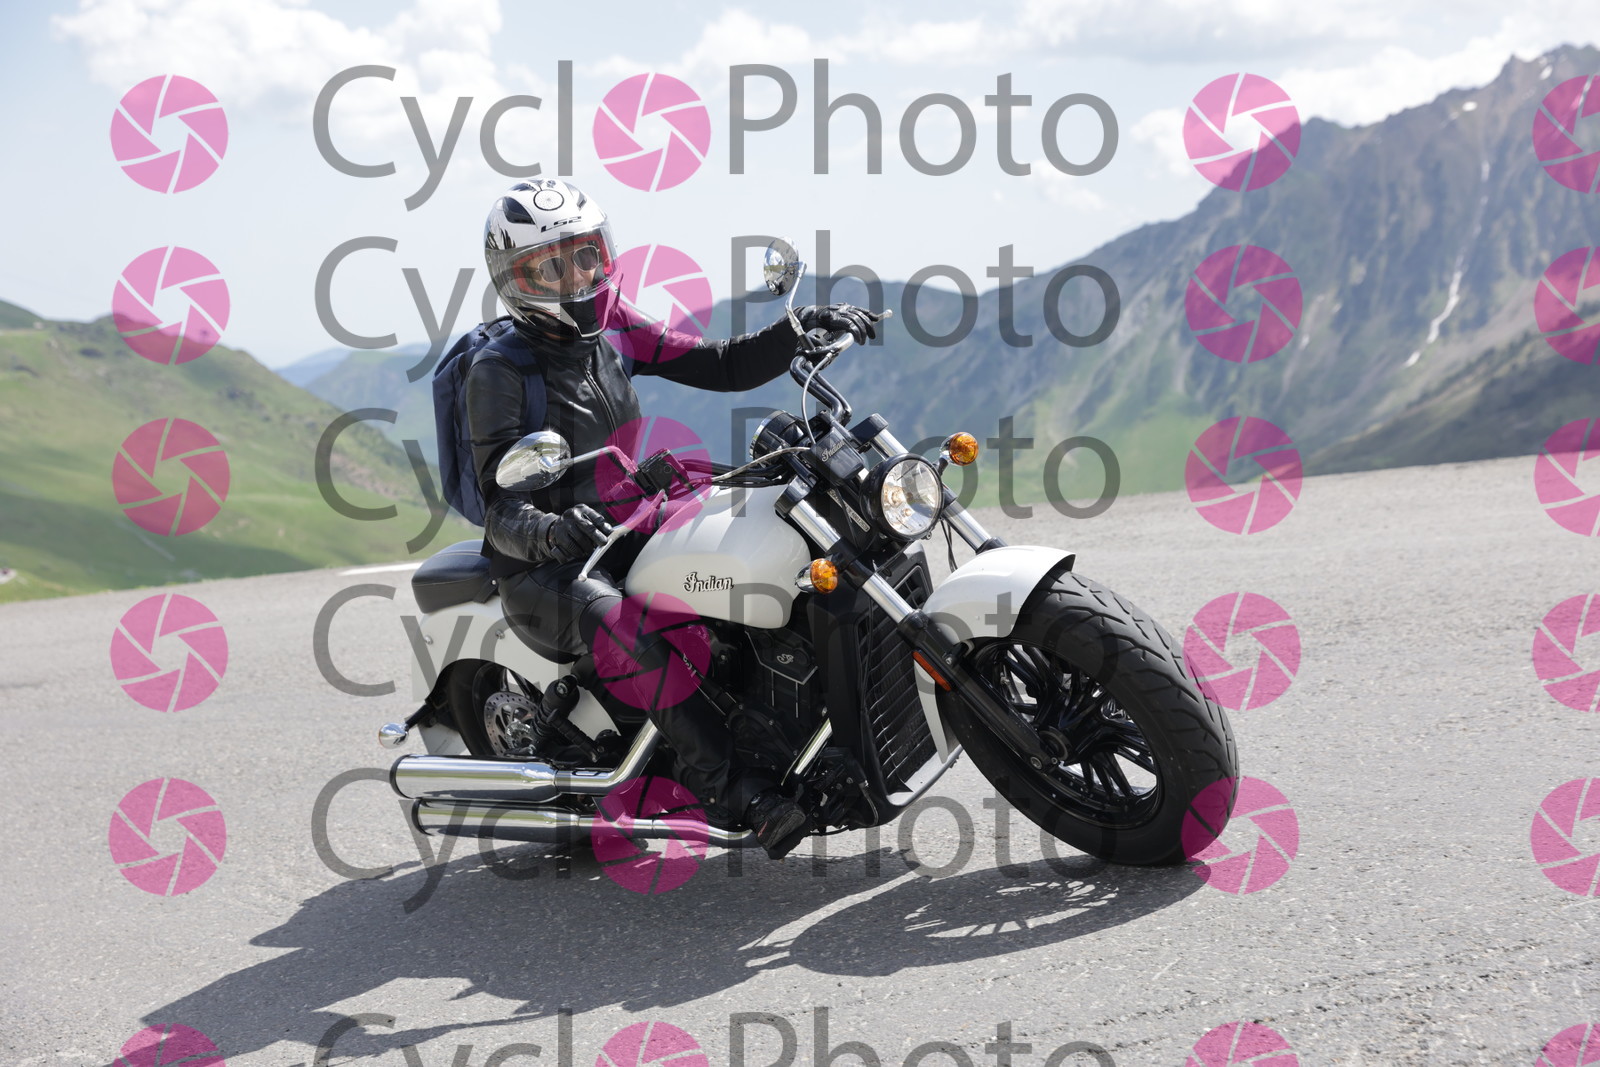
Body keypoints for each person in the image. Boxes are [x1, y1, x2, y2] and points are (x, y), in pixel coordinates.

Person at [465, 178, 877, 859]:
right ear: (515, 281)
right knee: (618, 625)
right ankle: (739, 790)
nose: (578, 277)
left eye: (587, 255)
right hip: (549, 567)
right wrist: (553, 531)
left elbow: (719, 363)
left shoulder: (613, 324)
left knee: (770, 530)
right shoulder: (499, 369)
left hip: (628, 524)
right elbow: (500, 506)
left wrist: (798, 329)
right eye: (550, 267)